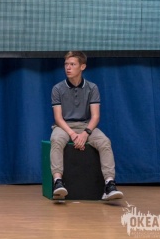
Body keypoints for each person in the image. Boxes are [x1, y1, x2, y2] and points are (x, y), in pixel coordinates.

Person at [50, 51, 124, 201]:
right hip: (64, 126)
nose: (68, 67)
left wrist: (85, 134)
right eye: (66, 64)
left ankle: (109, 184)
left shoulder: (92, 88)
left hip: (85, 125)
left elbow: (95, 116)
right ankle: (58, 182)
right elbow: (58, 118)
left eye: (72, 64)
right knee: (56, 140)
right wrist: (72, 134)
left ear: (82, 66)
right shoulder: (57, 88)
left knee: (104, 142)